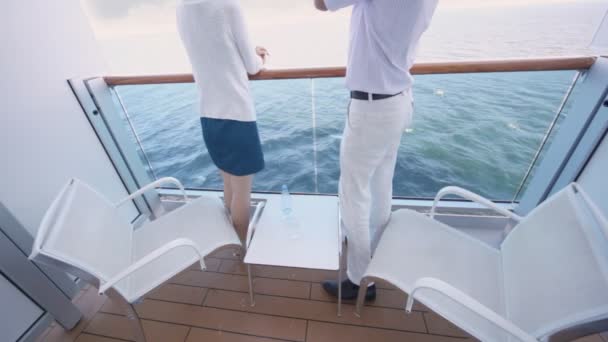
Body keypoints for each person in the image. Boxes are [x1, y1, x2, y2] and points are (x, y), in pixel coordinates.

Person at [314, 0, 439, 300]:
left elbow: (320, 3)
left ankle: (360, 280)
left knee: (354, 193)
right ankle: (376, 258)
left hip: (372, 108)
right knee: (381, 186)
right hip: (398, 100)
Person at [176, 0, 269, 242]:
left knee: (229, 185)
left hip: (208, 113)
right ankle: (242, 249)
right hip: (237, 114)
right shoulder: (229, 6)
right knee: (242, 194)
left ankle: (231, 242)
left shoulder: (183, 8)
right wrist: (259, 56)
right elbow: (252, 66)